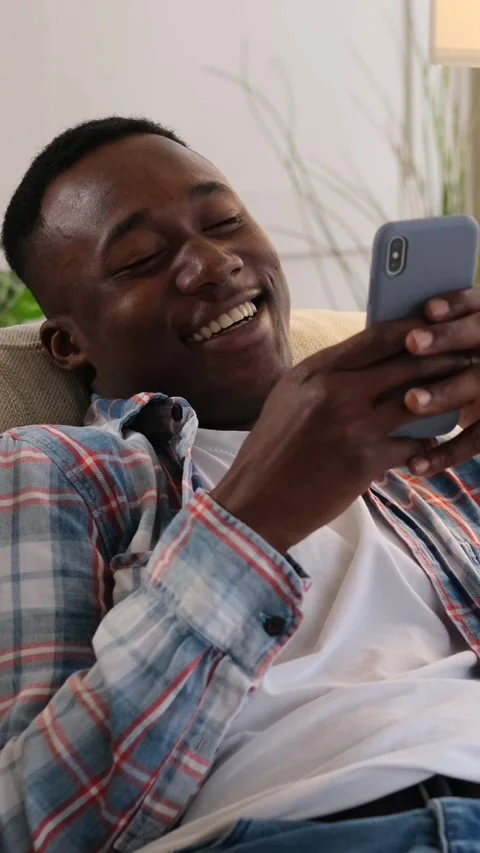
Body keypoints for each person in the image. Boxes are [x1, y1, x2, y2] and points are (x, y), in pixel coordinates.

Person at [1, 117, 480, 853]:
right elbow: (30, 824)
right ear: (69, 343)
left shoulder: (428, 454)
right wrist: (248, 524)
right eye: (140, 258)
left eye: (224, 220)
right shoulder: (58, 470)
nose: (212, 261)